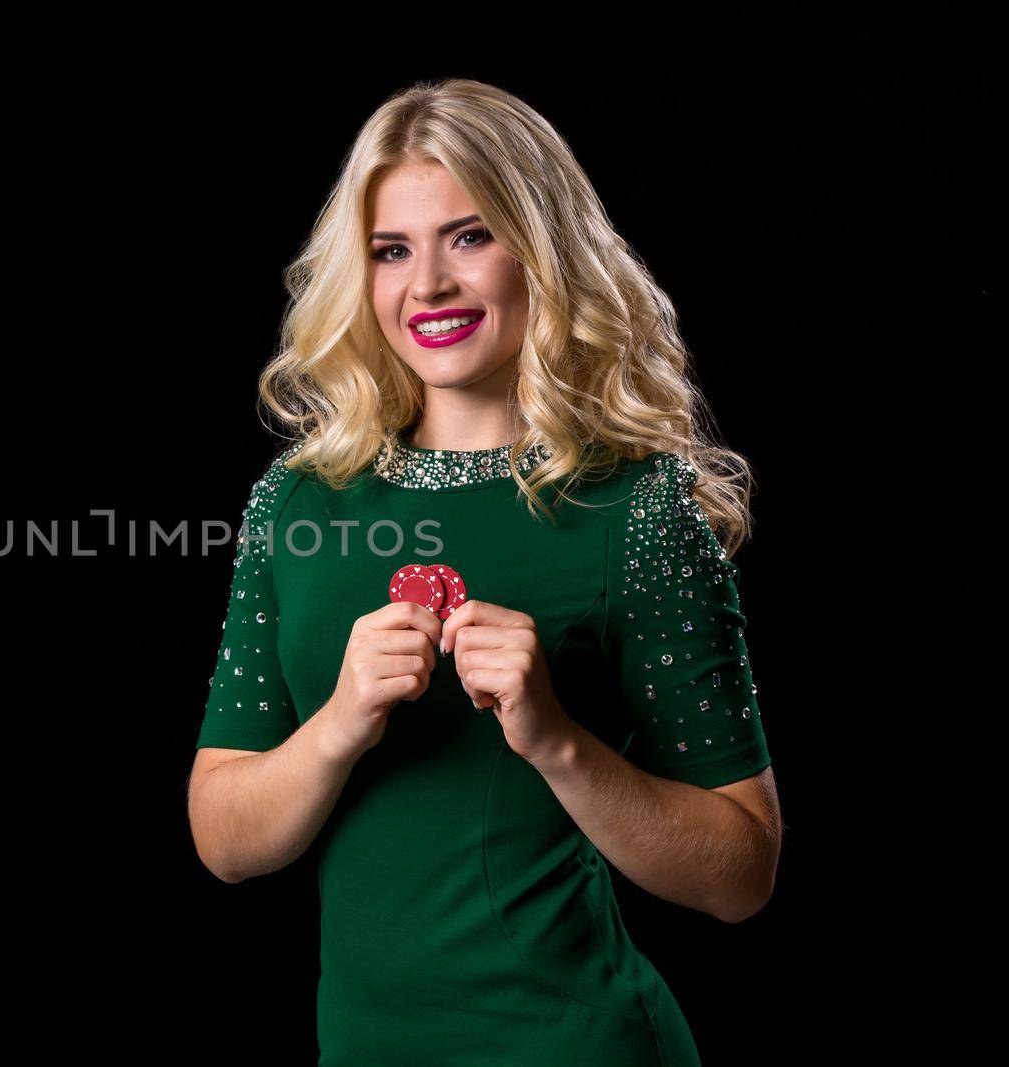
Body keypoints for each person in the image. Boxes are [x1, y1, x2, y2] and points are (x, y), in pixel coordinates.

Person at [186, 78, 783, 1066]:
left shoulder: (637, 506)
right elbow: (223, 835)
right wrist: (337, 723)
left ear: (541, 252)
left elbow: (741, 870)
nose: (426, 284)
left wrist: (554, 737)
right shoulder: (294, 504)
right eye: (391, 249)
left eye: (469, 235)